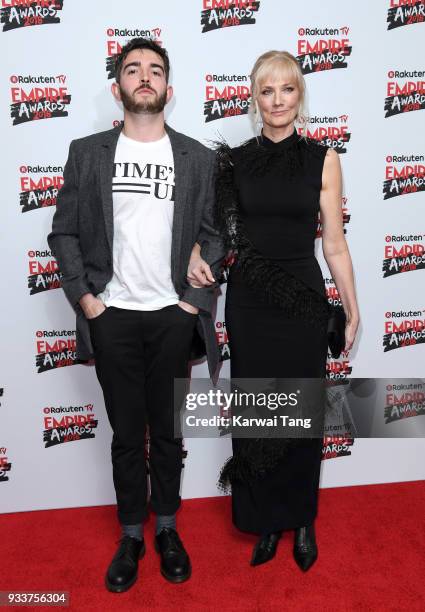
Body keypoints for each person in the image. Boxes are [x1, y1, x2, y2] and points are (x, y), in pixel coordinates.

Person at [48, 37, 223, 592]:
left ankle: (168, 528)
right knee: (127, 433)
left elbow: (215, 236)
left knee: (168, 432)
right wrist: (88, 303)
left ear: (169, 90)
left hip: (173, 316)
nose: (143, 77)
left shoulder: (199, 157)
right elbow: (64, 233)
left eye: (154, 70)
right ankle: (131, 535)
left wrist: (191, 302)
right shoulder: (87, 152)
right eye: (132, 69)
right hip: (113, 315)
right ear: (116, 87)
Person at [188, 50, 359, 570]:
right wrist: (197, 253)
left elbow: (334, 244)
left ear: (299, 96)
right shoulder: (233, 161)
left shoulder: (323, 159)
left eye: (287, 89)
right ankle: (265, 521)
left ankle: (301, 519)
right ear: (254, 99)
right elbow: (216, 233)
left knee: (304, 415)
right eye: (268, 90)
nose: (278, 100)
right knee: (259, 416)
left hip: (304, 300)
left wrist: (351, 307)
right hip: (251, 303)